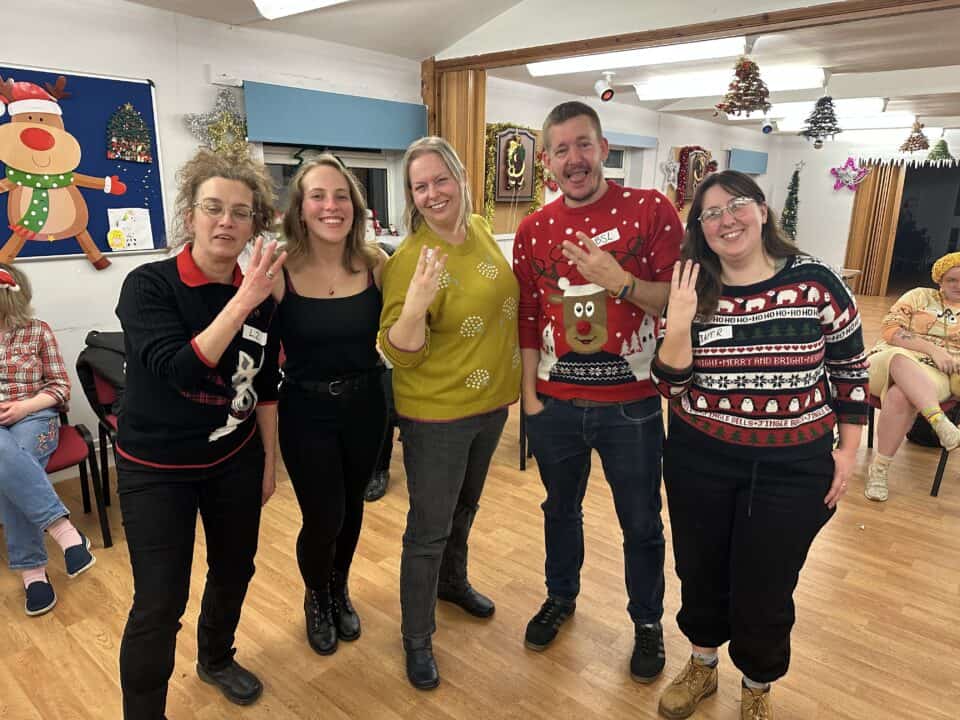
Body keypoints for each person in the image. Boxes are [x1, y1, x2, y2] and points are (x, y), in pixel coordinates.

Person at [651, 170, 868, 720]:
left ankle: (757, 684)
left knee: (767, 583)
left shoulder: (816, 280)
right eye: (712, 213)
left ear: (763, 211)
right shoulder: (691, 288)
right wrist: (678, 325)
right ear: (700, 228)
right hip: (700, 456)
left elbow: (851, 370)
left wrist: (850, 449)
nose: (727, 220)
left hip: (793, 465)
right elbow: (670, 386)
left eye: (737, 205)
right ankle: (702, 663)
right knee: (699, 569)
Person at [512, 101, 681, 682]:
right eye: (560, 149)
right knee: (559, 510)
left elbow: (680, 302)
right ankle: (561, 597)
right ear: (547, 162)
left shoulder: (651, 210)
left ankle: (648, 623)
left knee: (640, 520)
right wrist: (529, 396)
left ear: (604, 149)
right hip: (554, 405)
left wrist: (621, 281)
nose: (574, 159)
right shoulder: (534, 229)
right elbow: (530, 314)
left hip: (631, 408)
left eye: (583, 144)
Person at [115, 149, 285, 719]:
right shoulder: (148, 286)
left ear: (254, 225)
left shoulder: (260, 291)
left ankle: (216, 658)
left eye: (241, 212)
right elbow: (181, 368)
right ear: (190, 215)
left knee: (235, 568)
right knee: (160, 602)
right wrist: (245, 299)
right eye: (213, 208)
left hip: (233, 459)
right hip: (155, 468)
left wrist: (268, 460)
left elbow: (264, 382)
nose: (226, 222)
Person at [379, 136, 520, 690]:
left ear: (460, 179)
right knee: (428, 530)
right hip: (436, 415)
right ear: (411, 196)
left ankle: (452, 583)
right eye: (420, 186)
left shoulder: (481, 228)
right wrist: (414, 307)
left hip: (490, 407)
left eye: (441, 179)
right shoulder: (410, 260)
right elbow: (395, 350)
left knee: (466, 507)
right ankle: (417, 637)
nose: (433, 193)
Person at [275, 154, 388, 655]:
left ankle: (340, 587)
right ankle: (316, 595)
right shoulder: (279, 270)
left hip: (367, 406)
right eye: (317, 196)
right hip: (305, 411)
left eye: (341, 195)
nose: (330, 205)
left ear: (355, 205)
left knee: (353, 510)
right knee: (323, 515)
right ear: (300, 209)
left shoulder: (376, 264)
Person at [0, 262, 94, 617]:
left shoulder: (37, 331)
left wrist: (24, 407)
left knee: (13, 460)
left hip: (34, 415)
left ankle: (32, 573)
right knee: (6, 457)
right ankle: (66, 533)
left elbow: (59, 387)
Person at [864, 251, 960, 501]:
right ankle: (939, 422)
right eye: (952, 280)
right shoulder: (919, 296)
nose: (958, 286)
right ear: (940, 280)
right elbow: (890, 329)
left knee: (900, 395)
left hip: (936, 374)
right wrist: (933, 349)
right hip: (885, 360)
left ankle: (879, 471)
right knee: (899, 358)